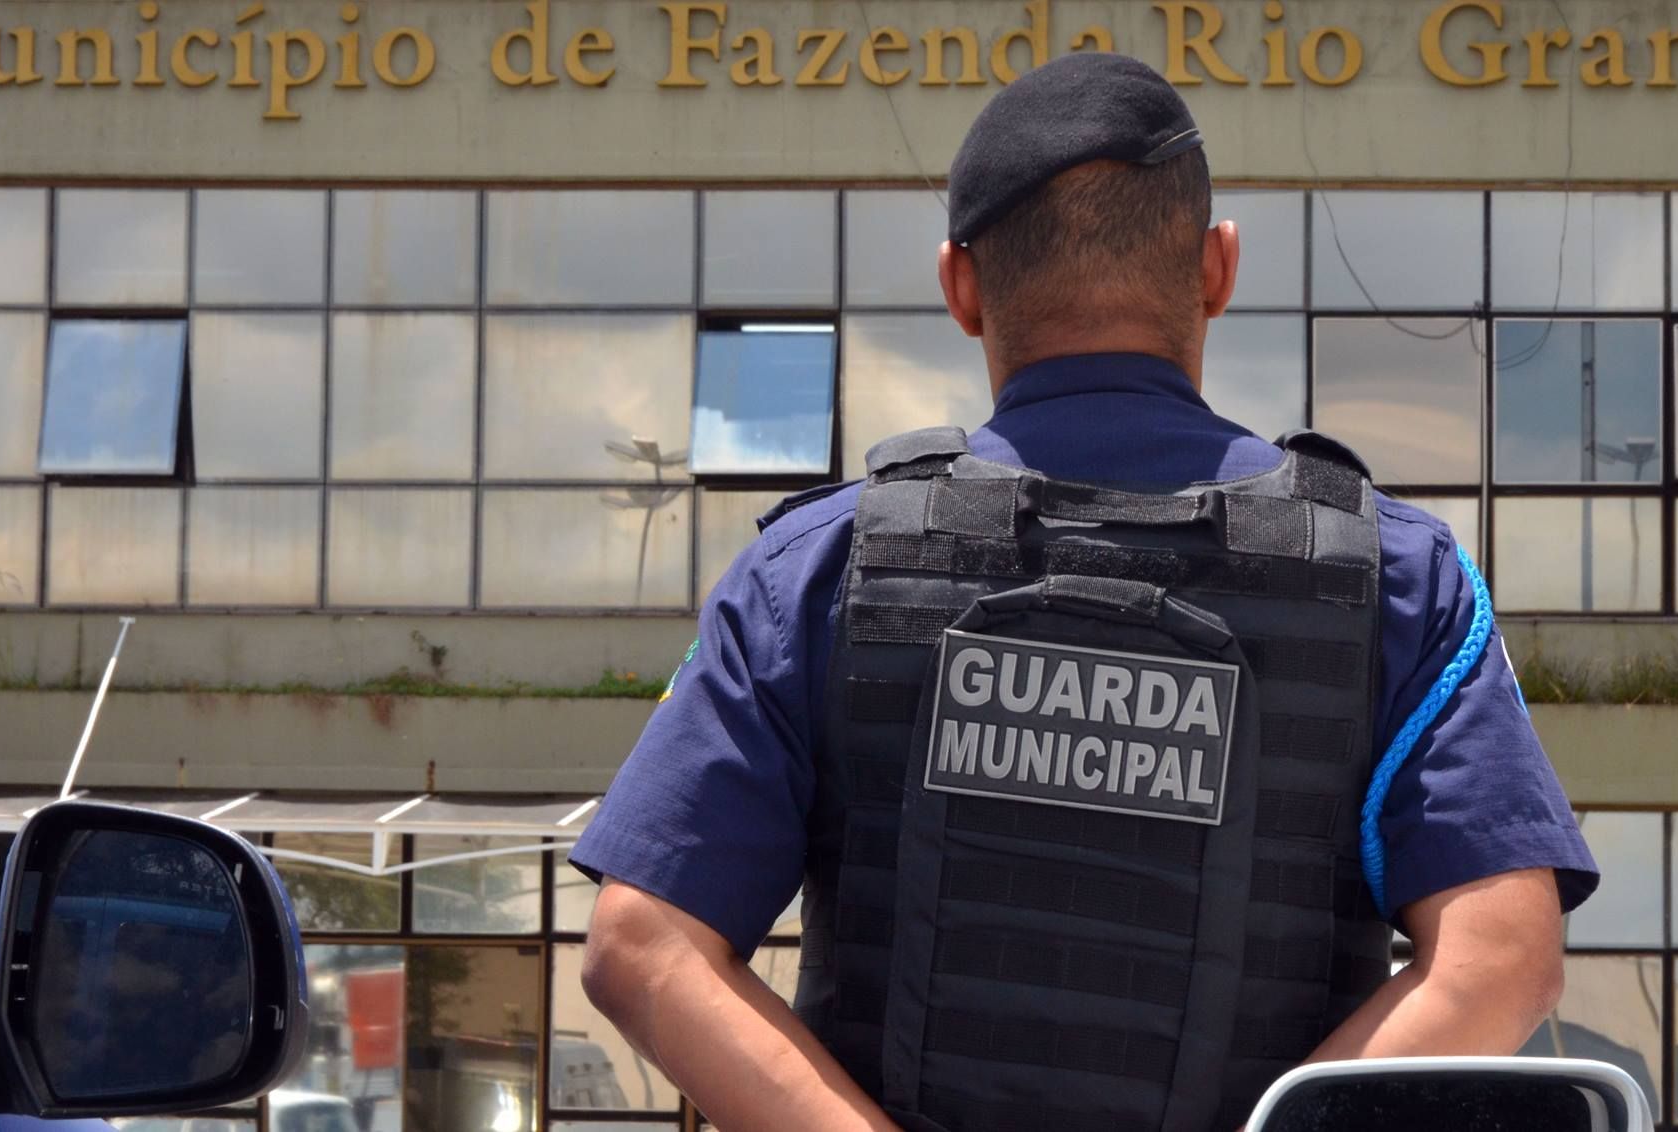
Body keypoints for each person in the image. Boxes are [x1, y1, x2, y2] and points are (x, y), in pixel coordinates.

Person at [571, 51, 1599, 1132]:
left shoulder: (818, 568)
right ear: (1215, 268)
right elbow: (1501, 958)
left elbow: (642, 945)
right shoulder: (1397, 576)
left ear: (959, 286)